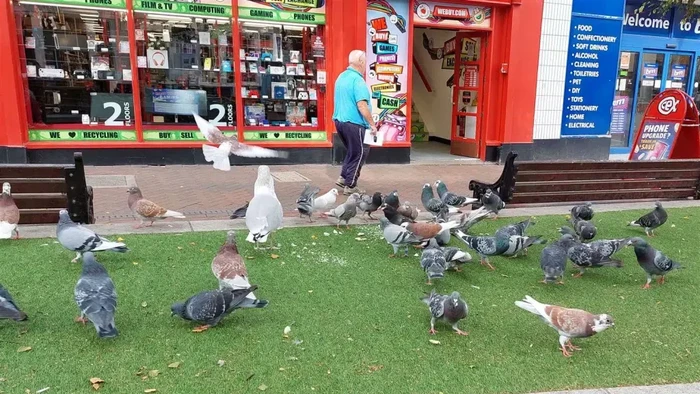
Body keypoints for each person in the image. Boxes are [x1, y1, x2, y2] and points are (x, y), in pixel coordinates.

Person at [332, 50, 377, 195]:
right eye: (365, 61)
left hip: (340, 121)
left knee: (352, 150)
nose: (366, 66)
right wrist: (372, 124)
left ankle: (343, 177)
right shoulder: (357, 80)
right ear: (361, 62)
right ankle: (350, 185)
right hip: (354, 123)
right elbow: (362, 105)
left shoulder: (341, 77)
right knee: (360, 152)